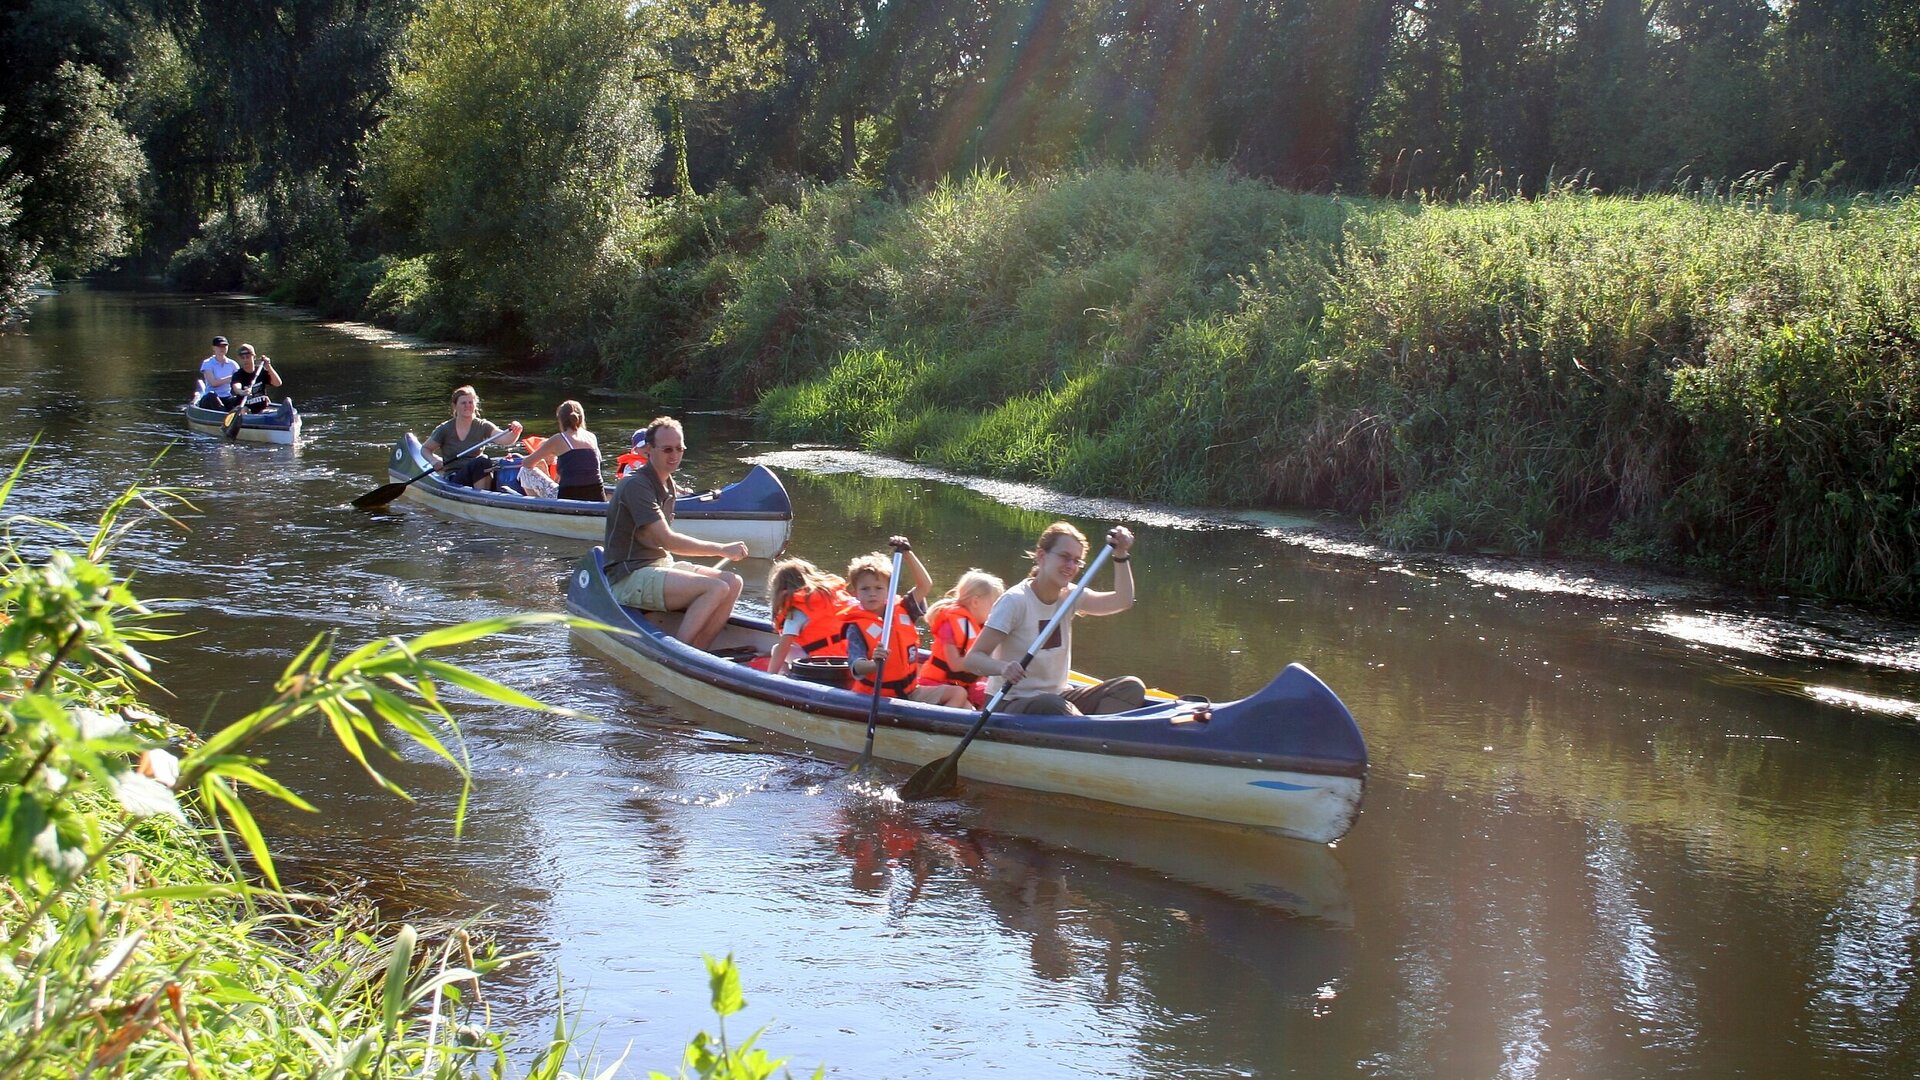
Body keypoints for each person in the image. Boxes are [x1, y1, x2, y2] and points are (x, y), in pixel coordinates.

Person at [961, 522, 1144, 715]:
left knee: (1131, 687)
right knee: (1052, 705)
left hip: (1058, 698)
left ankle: (1092, 734)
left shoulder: (1071, 596)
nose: (1071, 566)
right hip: (1010, 702)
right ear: (1041, 556)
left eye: (1076, 561)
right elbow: (973, 659)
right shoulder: (1015, 601)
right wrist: (1003, 667)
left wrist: (1121, 554)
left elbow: (1123, 601)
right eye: (1065, 557)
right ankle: (1089, 734)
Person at [604, 416, 748, 651]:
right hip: (629, 577)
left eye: (679, 449)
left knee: (733, 582)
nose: (674, 455)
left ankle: (701, 651)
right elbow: (667, 540)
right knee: (715, 588)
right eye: (667, 449)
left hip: (660, 566)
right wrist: (722, 549)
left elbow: (661, 544)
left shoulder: (668, 484)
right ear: (649, 450)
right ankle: (679, 652)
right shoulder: (636, 485)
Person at [841, 539, 967, 706]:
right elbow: (856, 666)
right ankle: (925, 729)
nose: (872, 594)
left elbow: (925, 585)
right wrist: (874, 664)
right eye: (865, 589)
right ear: (856, 593)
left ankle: (927, 730)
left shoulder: (904, 608)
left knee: (959, 693)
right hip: (877, 698)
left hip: (910, 692)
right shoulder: (856, 626)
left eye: (878, 588)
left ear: (889, 589)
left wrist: (907, 554)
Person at [917, 569, 1006, 708]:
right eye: (993, 606)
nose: (995, 612)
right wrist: (985, 663)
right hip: (937, 684)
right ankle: (940, 725)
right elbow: (955, 664)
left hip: (964, 686)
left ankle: (987, 726)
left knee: (992, 693)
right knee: (962, 700)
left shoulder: (980, 627)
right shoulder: (951, 625)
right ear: (975, 602)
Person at [766, 557, 859, 674]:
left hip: (822, 663)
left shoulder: (797, 611)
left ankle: (783, 678)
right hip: (851, 656)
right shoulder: (832, 596)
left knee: (776, 649)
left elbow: (783, 648)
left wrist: (768, 676)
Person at [422, 385, 522, 490]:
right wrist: (433, 461)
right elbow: (425, 449)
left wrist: (515, 431)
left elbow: (506, 440)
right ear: (455, 406)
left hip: (479, 472)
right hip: (455, 477)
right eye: (463, 403)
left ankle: (488, 494)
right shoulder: (445, 429)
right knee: (482, 461)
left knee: (514, 457)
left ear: (475, 405)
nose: (467, 406)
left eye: (470, 402)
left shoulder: (483, 425)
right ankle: (481, 497)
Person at [516, 399, 605, 501]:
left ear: (561, 420)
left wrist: (544, 466)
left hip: (569, 497)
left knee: (525, 471)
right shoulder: (592, 437)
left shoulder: (558, 438)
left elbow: (527, 463)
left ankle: (539, 508)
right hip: (598, 496)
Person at [230, 344, 281, 412]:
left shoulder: (261, 371)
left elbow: (278, 383)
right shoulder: (238, 375)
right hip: (245, 409)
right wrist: (242, 392)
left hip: (262, 410)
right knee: (244, 410)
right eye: (243, 358)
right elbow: (236, 387)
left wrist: (268, 366)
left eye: (247, 357)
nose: (245, 360)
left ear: (254, 357)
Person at [196, 336, 238, 408]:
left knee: (239, 399)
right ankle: (223, 413)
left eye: (224, 346)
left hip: (226, 397)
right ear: (214, 348)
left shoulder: (233, 364)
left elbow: (239, 381)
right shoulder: (207, 363)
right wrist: (232, 377)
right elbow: (213, 383)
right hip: (210, 398)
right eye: (219, 346)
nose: (222, 348)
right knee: (212, 395)